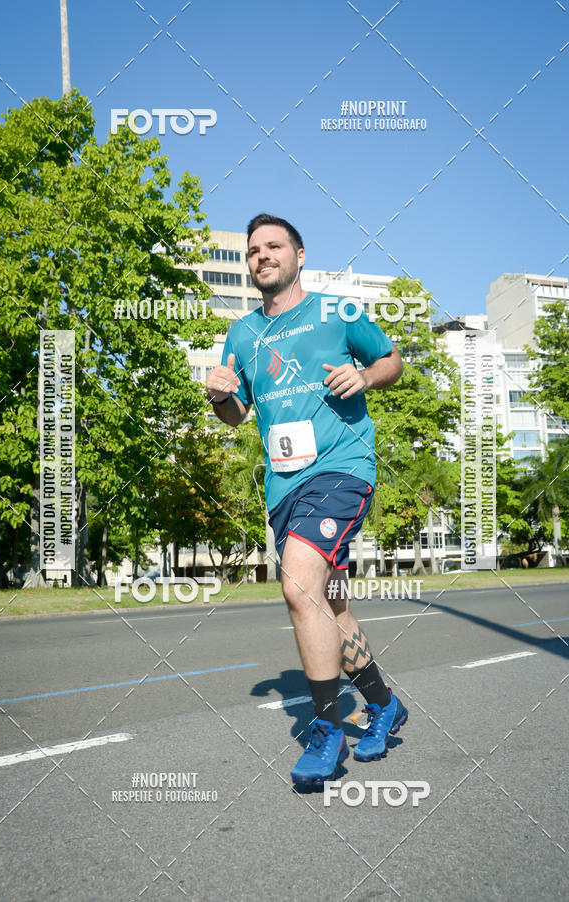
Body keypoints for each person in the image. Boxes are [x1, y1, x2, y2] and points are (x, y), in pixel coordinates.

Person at [205, 213, 407, 785]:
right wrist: (219, 396)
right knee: (330, 601)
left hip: (342, 469)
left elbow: (391, 360)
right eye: (252, 251)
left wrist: (365, 378)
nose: (261, 256)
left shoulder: (336, 310)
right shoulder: (242, 334)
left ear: (299, 256)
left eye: (273, 246)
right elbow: (236, 414)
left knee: (297, 584)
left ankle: (327, 728)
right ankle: (383, 703)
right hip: (283, 486)